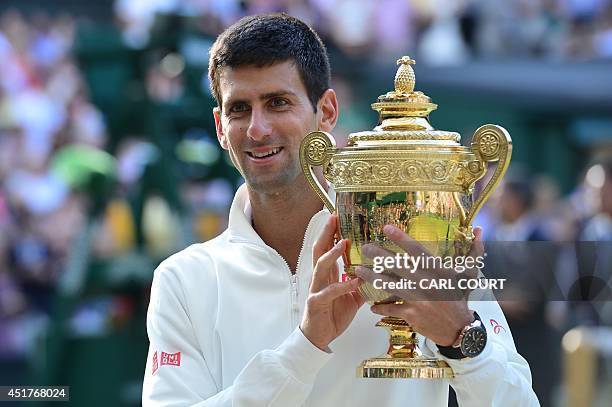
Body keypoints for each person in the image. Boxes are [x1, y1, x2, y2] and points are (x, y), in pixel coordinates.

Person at [142, 13, 539, 406]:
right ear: (219, 127)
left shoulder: (420, 252)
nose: (257, 129)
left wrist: (461, 337)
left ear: (327, 112)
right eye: (239, 109)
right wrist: (305, 348)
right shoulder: (182, 280)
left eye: (278, 103)